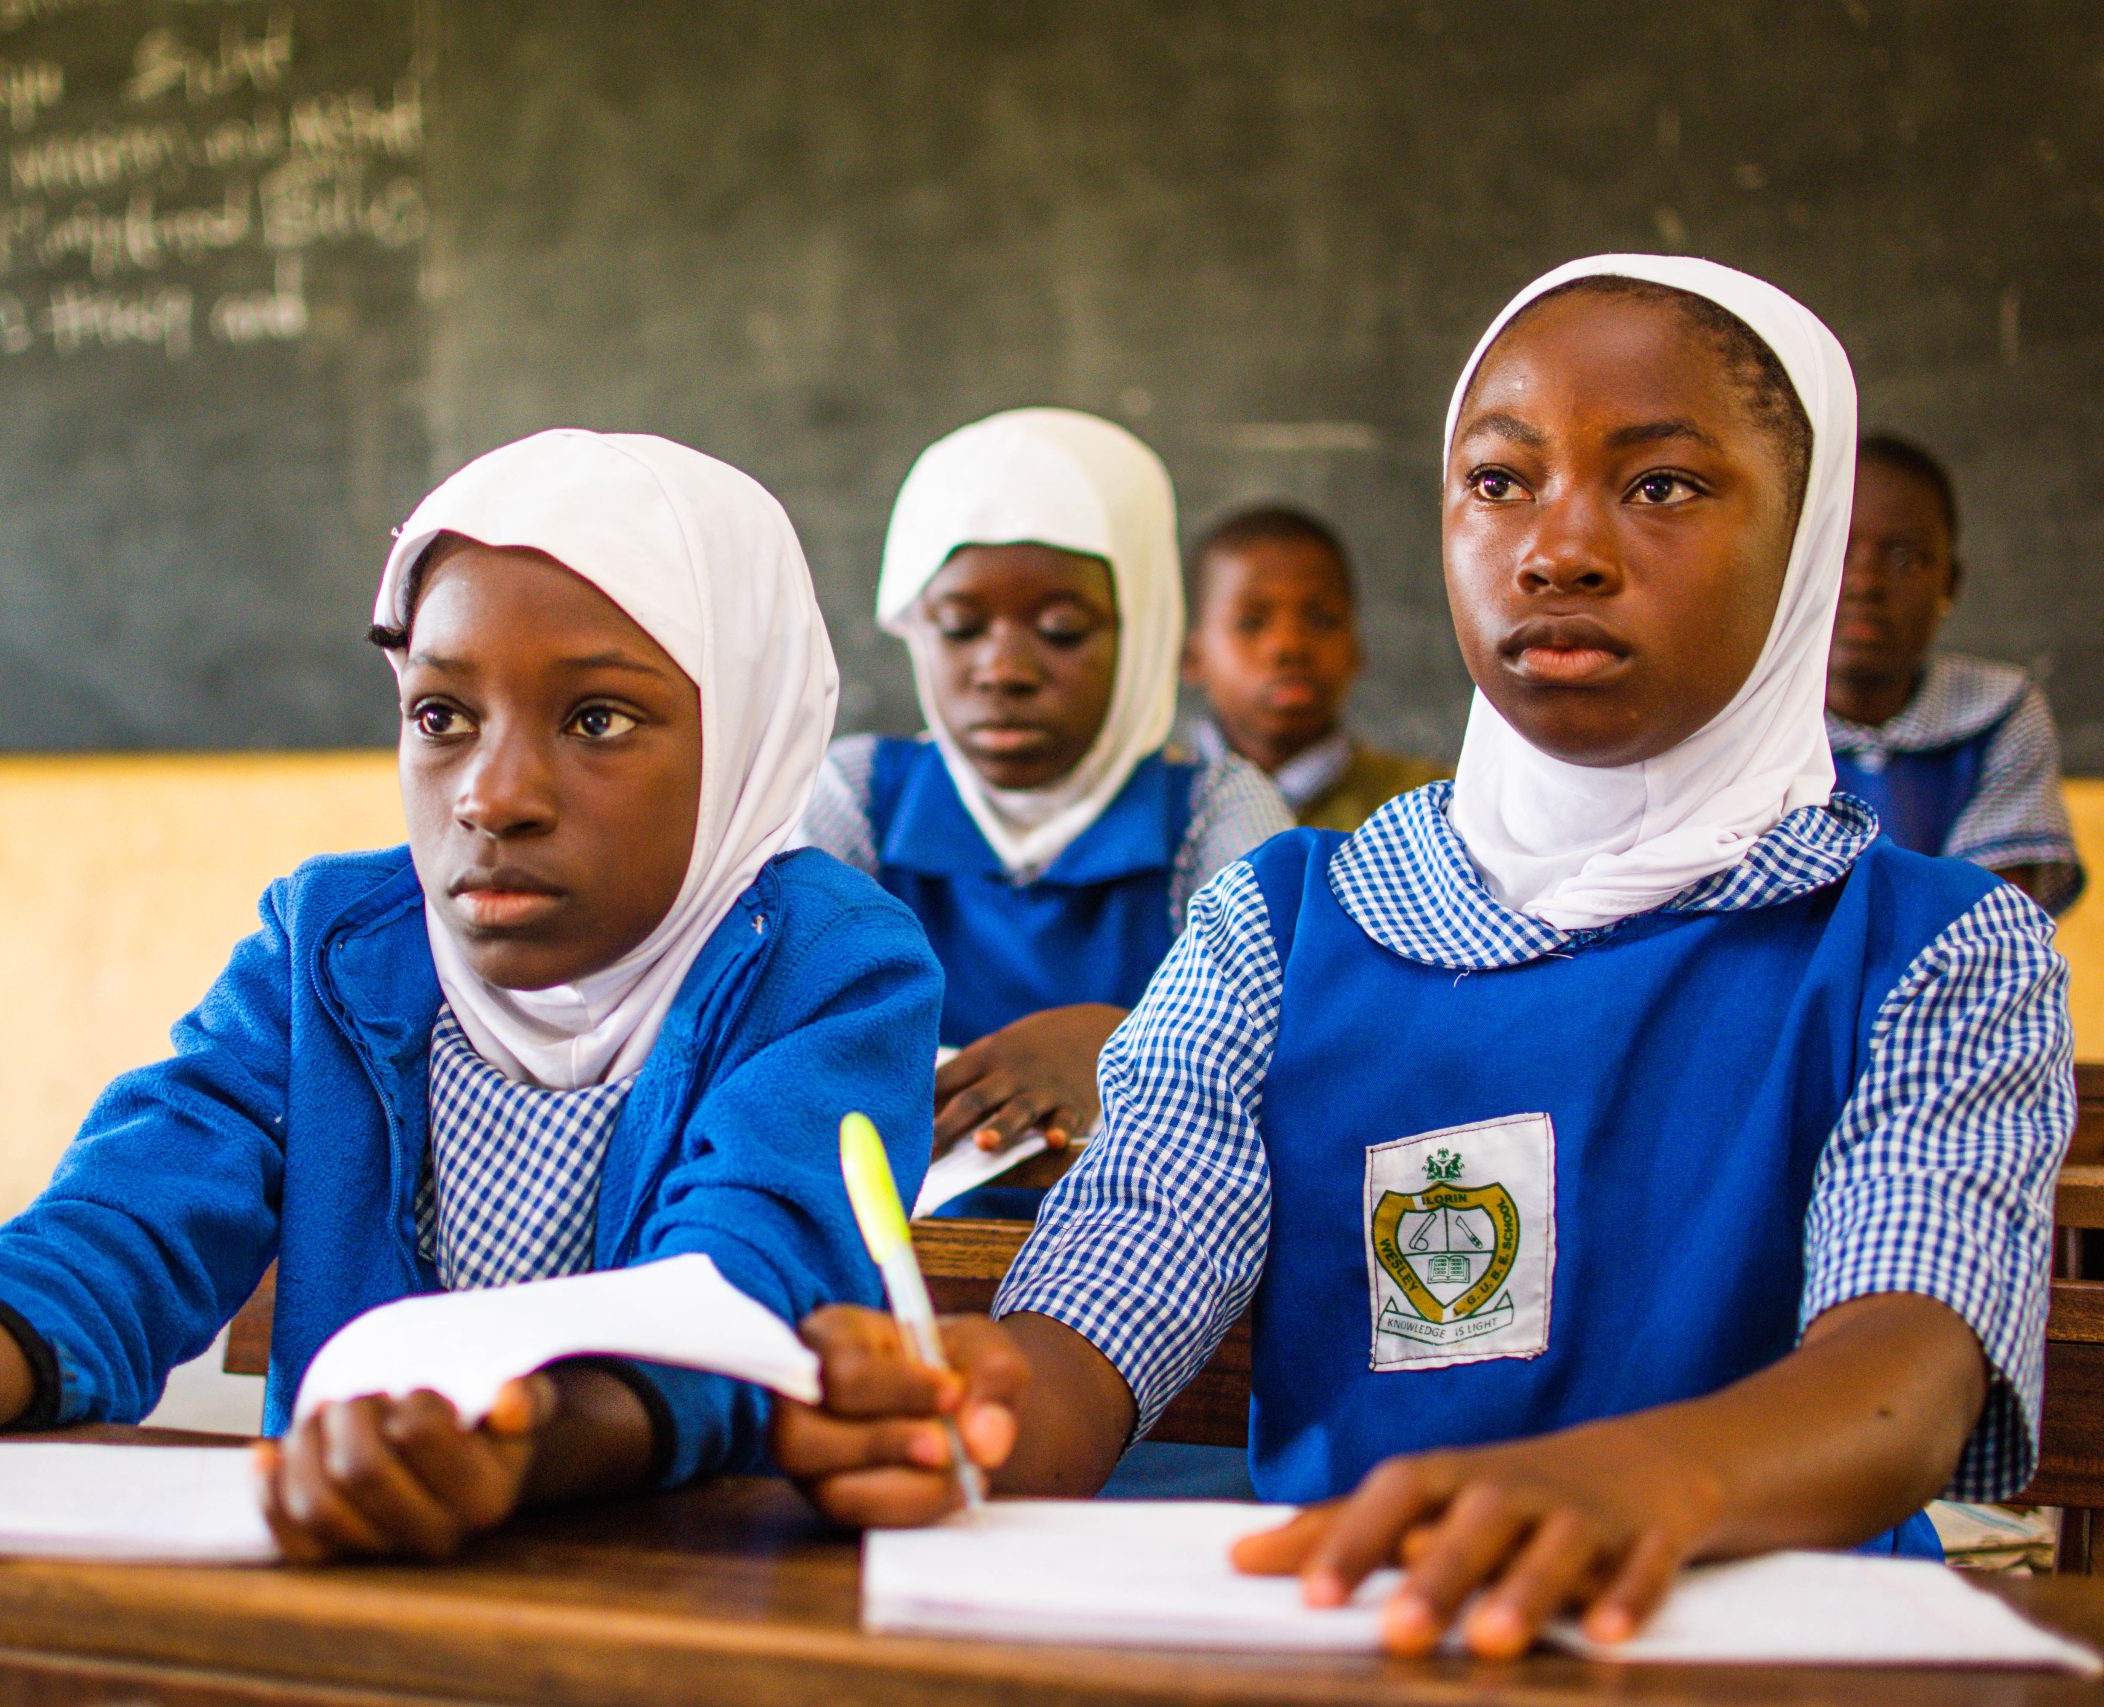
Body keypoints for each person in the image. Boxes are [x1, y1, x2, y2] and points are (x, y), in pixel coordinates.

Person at [771, 257, 2072, 1661]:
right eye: (1500, 483)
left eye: (1662, 486)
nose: (1558, 547)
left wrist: (1642, 1482)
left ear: (1806, 539)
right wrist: (983, 1404)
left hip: (1771, 1660)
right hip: (1359, 1637)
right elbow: (1114, 1287)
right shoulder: (1284, 923)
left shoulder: (1935, 947)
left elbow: (1906, 1373)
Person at [0, 430, 944, 1562]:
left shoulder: (830, 964)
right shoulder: (331, 946)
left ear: (753, 730)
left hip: (679, 1611)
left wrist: (515, 1443)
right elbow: (122, 1227)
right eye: (440, 714)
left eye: (596, 718)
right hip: (338, 1594)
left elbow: (743, 1291)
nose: (494, 793)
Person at [800, 408, 1291, 1167]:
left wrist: (1121, 1043)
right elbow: (778, 1030)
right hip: (895, 1248)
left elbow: (1293, 1050)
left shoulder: (1213, 811)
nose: (1003, 670)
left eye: (1061, 630)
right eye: (961, 627)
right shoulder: (857, 795)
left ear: (1145, 630)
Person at [1826, 433, 2085, 916]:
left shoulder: (1998, 712)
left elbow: (1991, 927)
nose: (1864, 581)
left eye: (1904, 557)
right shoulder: (1737, 713)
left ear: (1949, 583)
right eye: (1837, 546)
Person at [1182, 505, 1446, 829]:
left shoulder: (1434, 808)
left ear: (1356, 648)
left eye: (1321, 621)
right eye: (1251, 623)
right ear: (1192, 657)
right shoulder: (1149, 807)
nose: (1289, 646)